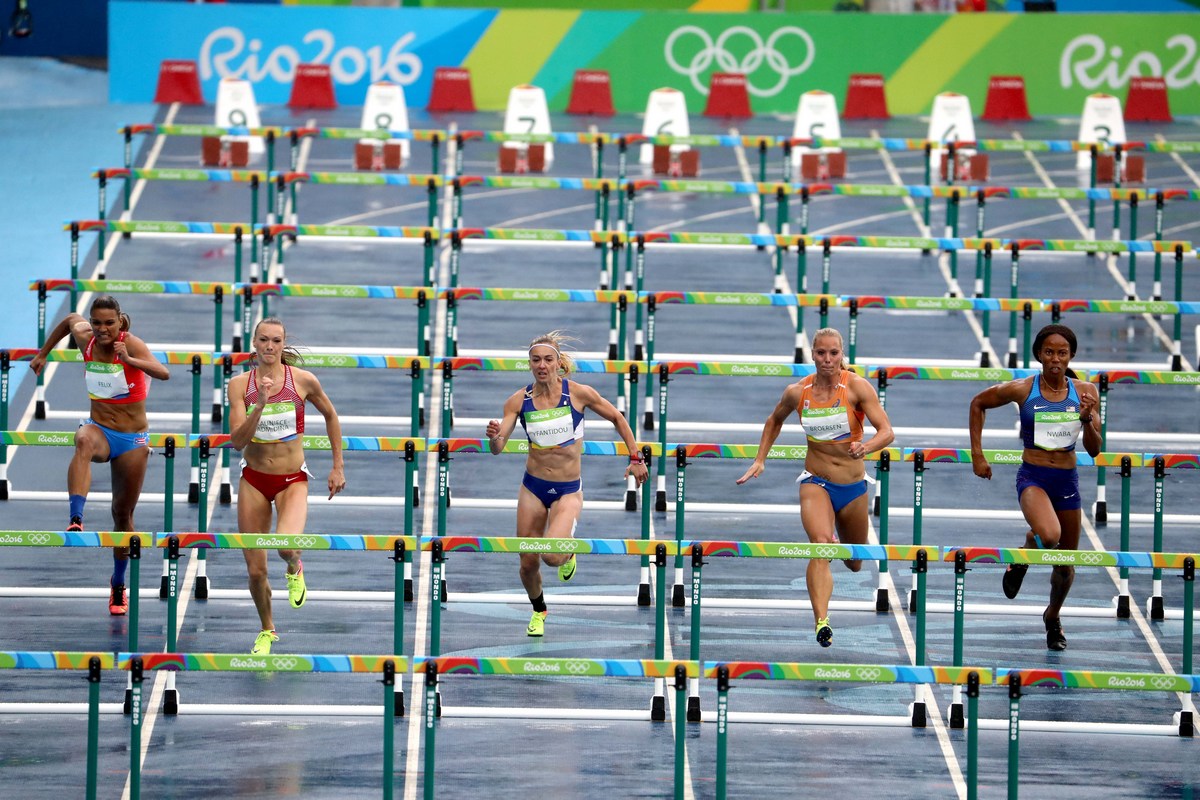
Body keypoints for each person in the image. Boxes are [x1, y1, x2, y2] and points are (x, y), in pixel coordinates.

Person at [736, 327, 894, 648]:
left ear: (841, 354)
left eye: (833, 353)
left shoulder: (857, 388)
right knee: (820, 545)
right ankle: (822, 620)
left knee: (854, 562)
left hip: (852, 486)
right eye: (821, 353)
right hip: (816, 481)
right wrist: (760, 459)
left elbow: (887, 431)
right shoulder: (798, 392)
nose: (827, 359)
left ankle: (838, 542)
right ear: (812, 354)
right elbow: (773, 420)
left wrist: (867, 446)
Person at [486, 331, 649, 637]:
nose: (542, 365)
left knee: (551, 556)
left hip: (567, 491)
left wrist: (636, 457)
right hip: (532, 488)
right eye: (536, 360)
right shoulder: (517, 402)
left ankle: (568, 553)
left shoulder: (577, 394)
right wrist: (494, 437)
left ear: (558, 362)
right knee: (527, 563)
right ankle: (539, 610)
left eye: (548, 359)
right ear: (530, 364)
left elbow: (617, 417)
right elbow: (498, 448)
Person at [30, 296, 171, 616]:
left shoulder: (131, 343)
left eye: (109, 323)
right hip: (99, 431)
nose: (103, 329)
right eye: (97, 323)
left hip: (132, 440)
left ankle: (119, 583)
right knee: (82, 440)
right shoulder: (87, 340)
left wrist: (132, 361)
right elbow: (69, 319)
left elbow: (163, 373)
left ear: (120, 321)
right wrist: (43, 353)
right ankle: (76, 518)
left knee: (122, 516)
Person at [969, 323, 1100, 651]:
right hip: (1033, 478)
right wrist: (977, 455)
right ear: (1039, 355)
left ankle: (1052, 616)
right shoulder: (1023, 389)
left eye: (1062, 353)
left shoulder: (1086, 392)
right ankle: (1028, 549)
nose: (1056, 359)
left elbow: (1096, 449)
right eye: (1050, 352)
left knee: (1066, 566)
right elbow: (978, 404)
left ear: (1071, 356)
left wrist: (1087, 419)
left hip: (1067, 482)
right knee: (1050, 535)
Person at [228, 318, 345, 655]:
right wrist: (260, 404)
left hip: (292, 480)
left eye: (276, 340)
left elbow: (331, 416)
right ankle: (267, 630)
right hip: (253, 480)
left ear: (283, 344)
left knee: (284, 546)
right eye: (263, 340)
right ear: (254, 342)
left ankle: (295, 564)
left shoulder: (303, 381)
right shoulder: (239, 386)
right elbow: (237, 441)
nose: (269, 346)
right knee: (255, 570)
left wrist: (337, 466)